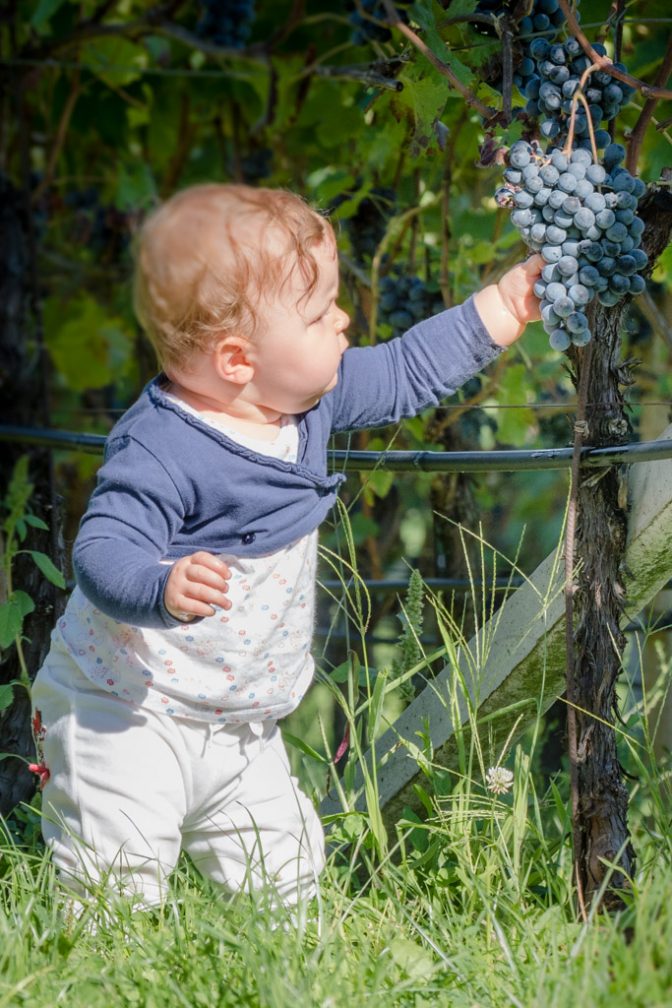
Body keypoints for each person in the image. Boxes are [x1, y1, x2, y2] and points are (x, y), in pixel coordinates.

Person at [32, 183, 542, 914]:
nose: (342, 320)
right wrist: (160, 586)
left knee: (288, 884)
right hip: (126, 710)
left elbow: (405, 371)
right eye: (318, 312)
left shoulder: (308, 401)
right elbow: (103, 549)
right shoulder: (163, 446)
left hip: (243, 725)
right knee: (115, 881)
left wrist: (503, 303)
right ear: (239, 360)